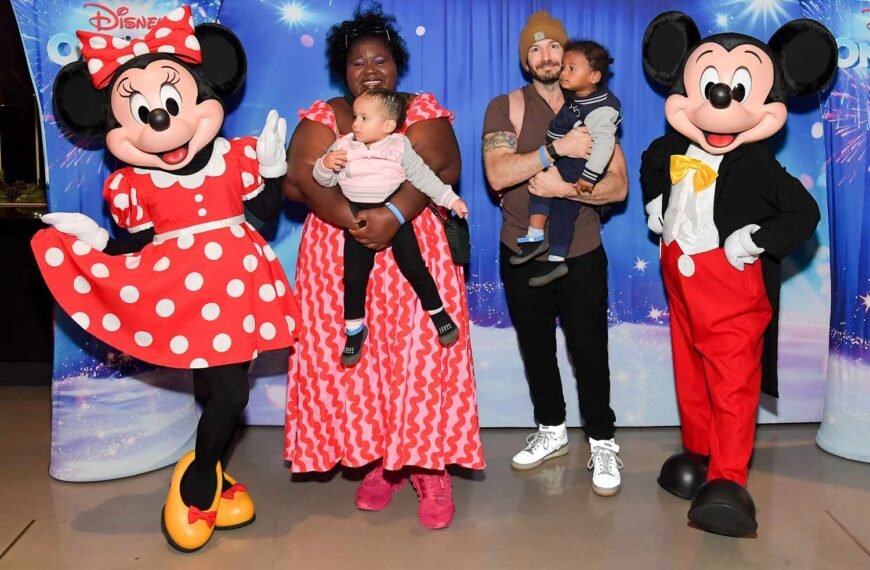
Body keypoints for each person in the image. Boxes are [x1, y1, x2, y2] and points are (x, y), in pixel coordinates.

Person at [31, 7, 300, 552]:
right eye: (142, 112)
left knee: (228, 392)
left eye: (172, 104)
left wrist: (271, 175)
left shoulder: (233, 158)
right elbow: (133, 244)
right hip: (177, 291)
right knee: (221, 391)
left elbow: (268, 218)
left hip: (234, 285)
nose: (160, 121)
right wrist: (95, 238)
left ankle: (201, 475)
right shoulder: (132, 183)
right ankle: (206, 480)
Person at [283, 3, 484, 530]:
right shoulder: (324, 115)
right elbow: (299, 178)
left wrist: (392, 215)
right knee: (362, 361)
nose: (370, 69)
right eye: (357, 62)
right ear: (342, 70)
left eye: (380, 60)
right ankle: (382, 463)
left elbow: (442, 164)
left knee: (420, 358)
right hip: (339, 254)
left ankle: (428, 468)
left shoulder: (419, 109)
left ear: (397, 64)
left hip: (415, 248)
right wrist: (360, 221)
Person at [481, 10, 628, 496]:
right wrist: (554, 151)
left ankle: (603, 440)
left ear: (570, 58)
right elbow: (498, 175)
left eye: (554, 49)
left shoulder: (593, 105)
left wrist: (565, 191)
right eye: (535, 49)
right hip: (520, 249)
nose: (546, 57)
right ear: (526, 60)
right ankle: (552, 430)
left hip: (582, 251)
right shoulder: (505, 107)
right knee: (537, 349)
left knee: (590, 352)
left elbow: (618, 187)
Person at [313, 88, 469, 365]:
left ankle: (438, 313)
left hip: (394, 214)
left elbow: (424, 177)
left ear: (388, 126)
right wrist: (325, 165)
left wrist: (451, 199)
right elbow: (323, 181)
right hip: (357, 216)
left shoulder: (399, 146)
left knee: (415, 267)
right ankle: (354, 330)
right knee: (354, 277)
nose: (355, 124)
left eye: (363, 118)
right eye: (355, 116)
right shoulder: (344, 145)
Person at [510, 40, 621, 288]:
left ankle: (548, 248)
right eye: (565, 68)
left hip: (581, 167)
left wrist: (589, 177)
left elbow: (604, 146)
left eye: (572, 68)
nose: (564, 72)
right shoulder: (577, 98)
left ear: (594, 76)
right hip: (567, 161)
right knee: (545, 192)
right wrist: (559, 143)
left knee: (554, 199)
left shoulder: (602, 109)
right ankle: (544, 244)